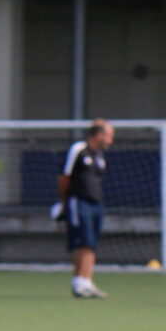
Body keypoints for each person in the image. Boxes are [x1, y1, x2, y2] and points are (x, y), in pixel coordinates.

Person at [56, 120, 114, 299]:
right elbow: (64, 177)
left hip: (96, 203)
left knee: (92, 243)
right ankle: (80, 282)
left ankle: (86, 281)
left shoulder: (100, 156)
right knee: (84, 242)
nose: (111, 140)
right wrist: (64, 202)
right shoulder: (78, 150)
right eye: (109, 135)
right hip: (78, 202)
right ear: (98, 134)